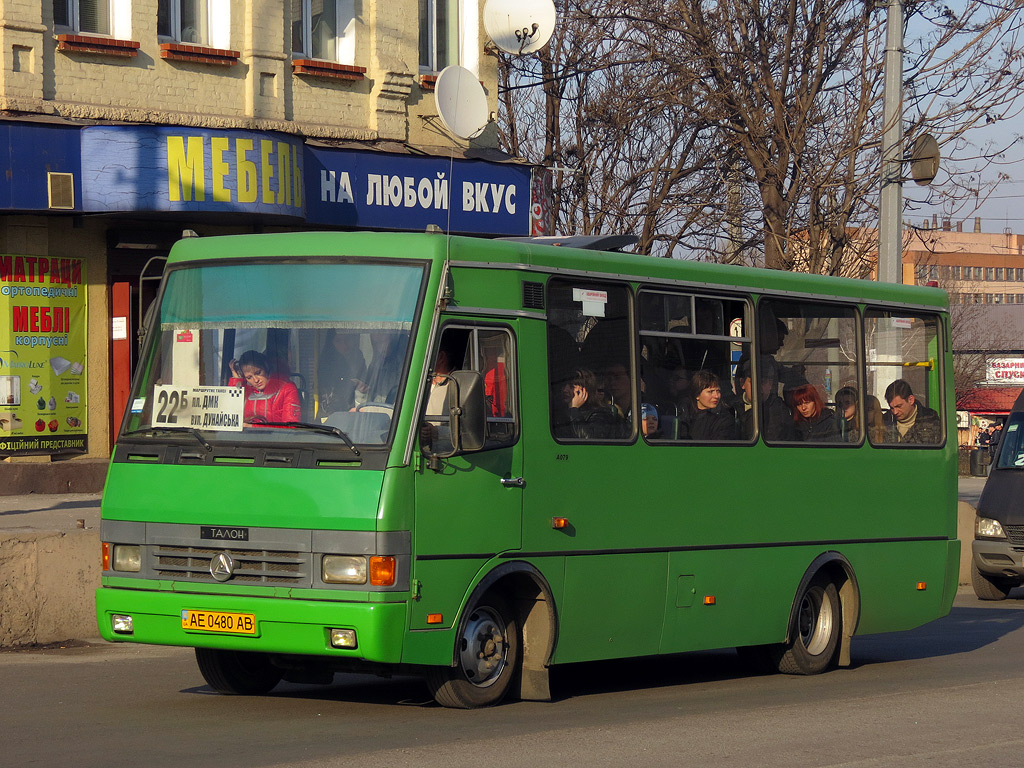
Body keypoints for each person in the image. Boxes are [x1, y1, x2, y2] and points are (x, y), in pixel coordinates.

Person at [229, 350, 301, 426]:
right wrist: (237, 381)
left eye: (258, 373)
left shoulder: (287, 389)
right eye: (249, 377)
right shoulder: (245, 392)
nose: (256, 380)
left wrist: (253, 427)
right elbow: (230, 414)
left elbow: (291, 428)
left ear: (267, 368)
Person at [735, 356, 794, 441]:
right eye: (753, 382)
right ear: (742, 383)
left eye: (763, 382)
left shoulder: (779, 411)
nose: (759, 388)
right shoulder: (732, 408)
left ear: (770, 385)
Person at [317, 330, 366, 415]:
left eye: (347, 339)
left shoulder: (358, 358)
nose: (344, 345)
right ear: (331, 344)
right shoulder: (325, 363)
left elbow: (365, 387)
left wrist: (362, 388)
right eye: (338, 341)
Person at [567, 368, 622, 440]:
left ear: (584, 390)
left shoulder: (600, 415)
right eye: (564, 386)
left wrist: (574, 410)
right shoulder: (560, 413)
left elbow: (590, 440)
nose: (565, 390)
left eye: (572, 387)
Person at [883, 379, 941, 444]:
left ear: (911, 400)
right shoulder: (883, 422)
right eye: (891, 408)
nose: (895, 412)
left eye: (899, 406)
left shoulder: (930, 419)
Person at [688, 369, 737, 441]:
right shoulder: (686, 415)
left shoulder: (725, 419)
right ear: (697, 395)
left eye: (718, 391)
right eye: (710, 392)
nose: (716, 396)